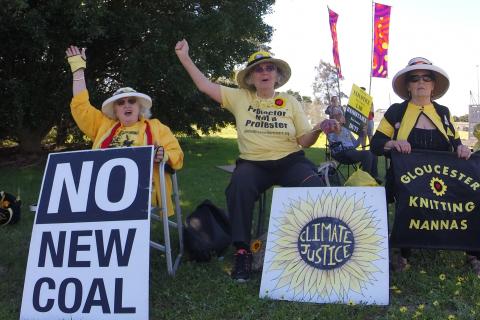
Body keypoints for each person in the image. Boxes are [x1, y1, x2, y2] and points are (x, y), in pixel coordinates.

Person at [175, 39, 338, 282]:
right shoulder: (239, 97)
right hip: (253, 164)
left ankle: (311, 246)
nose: (264, 72)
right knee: (239, 186)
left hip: (290, 160)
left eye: (269, 68)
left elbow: (304, 141)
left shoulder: (290, 101)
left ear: (277, 75)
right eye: (258, 69)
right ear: (250, 77)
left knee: (313, 185)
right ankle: (242, 251)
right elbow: (204, 85)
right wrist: (184, 57)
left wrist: (319, 129)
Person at [370, 57, 473, 273]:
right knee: (405, 199)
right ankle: (403, 251)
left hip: (441, 179)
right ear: (408, 85)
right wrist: (394, 142)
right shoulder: (396, 111)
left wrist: (461, 148)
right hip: (405, 181)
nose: (421, 82)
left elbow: (455, 143)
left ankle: (472, 251)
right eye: (414, 78)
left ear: (433, 85)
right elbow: (376, 144)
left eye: (427, 78)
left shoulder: (443, 112)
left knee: (470, 195)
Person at [65, 45, 184, 214]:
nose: (126, 105)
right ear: (115, 111)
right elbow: (81, 107)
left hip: (142, 190)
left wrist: (163, 155)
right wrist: (78, 71)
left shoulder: (156, 127)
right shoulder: (104, 125)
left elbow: (176, 154)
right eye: (120, 103)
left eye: (131, 101)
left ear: (139, 107)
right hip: (102, 188)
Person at [327, 108, 378, 179]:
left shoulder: (346, 129)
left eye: (340, 114)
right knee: (367, 154)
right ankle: (366, 179)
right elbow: (333, 141)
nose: (340, 116)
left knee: (373, 153)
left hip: (352, 152)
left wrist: (362, 134)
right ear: (332, 117)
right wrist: (337, 126)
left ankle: (374, 178)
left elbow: (355, 144)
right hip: (342, 153)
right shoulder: (330, 128)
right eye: (337, 114)